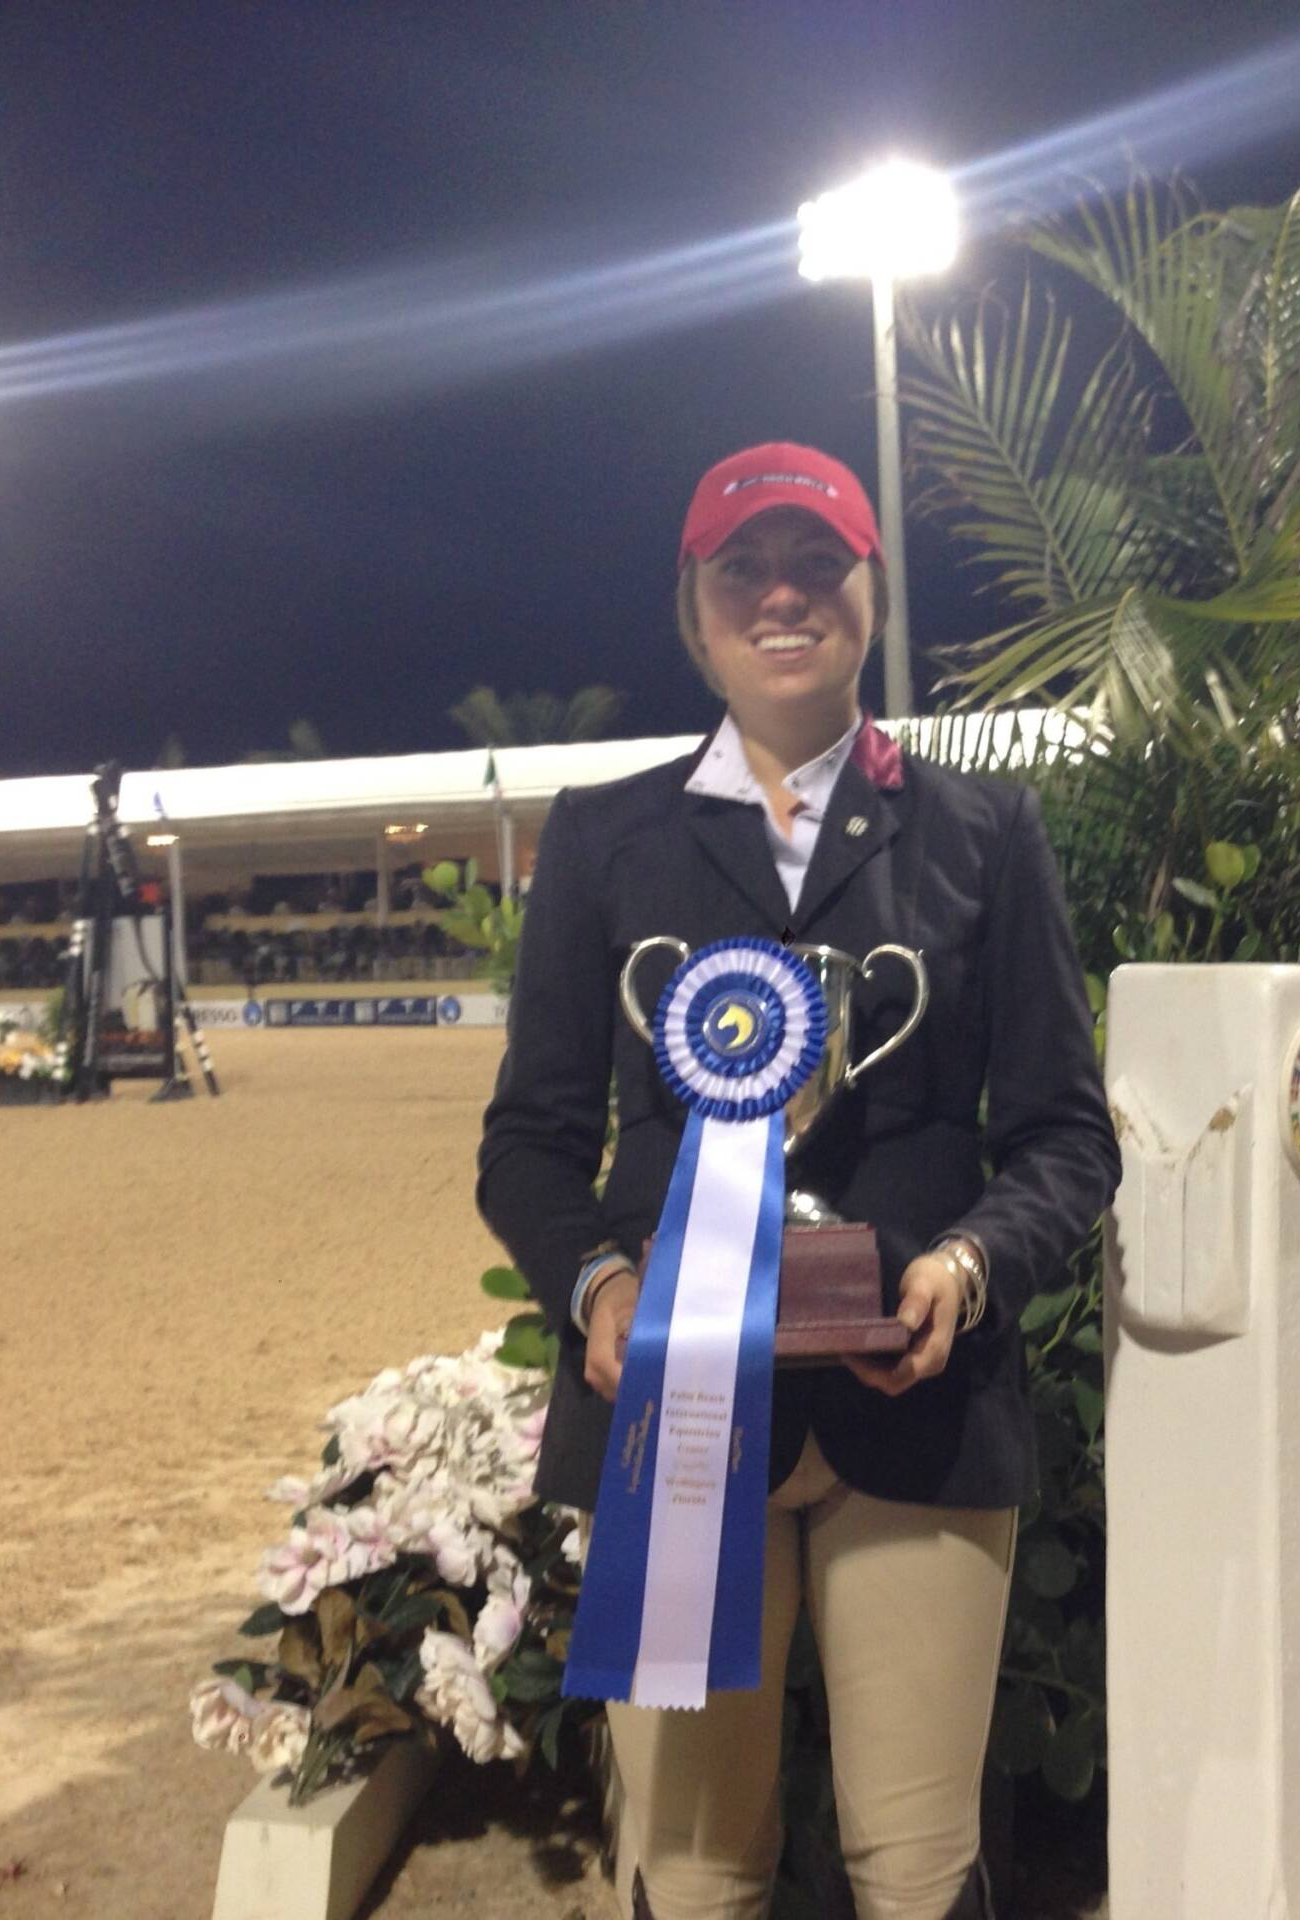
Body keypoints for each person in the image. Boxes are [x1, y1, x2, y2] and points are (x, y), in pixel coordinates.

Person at [478, 442, 1119, 1920]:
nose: (783, 595)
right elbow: (529, 1138)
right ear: (693, 611)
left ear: (871, 592)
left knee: (918, 1870)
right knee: (693, 1876)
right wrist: (601, 1285)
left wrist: (967, 1267)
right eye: (743, 569)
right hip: (677, 1415)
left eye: (818, 563)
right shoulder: (604, 838)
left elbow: (1066, 1136)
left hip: (923, 1406)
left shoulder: (983, 835)